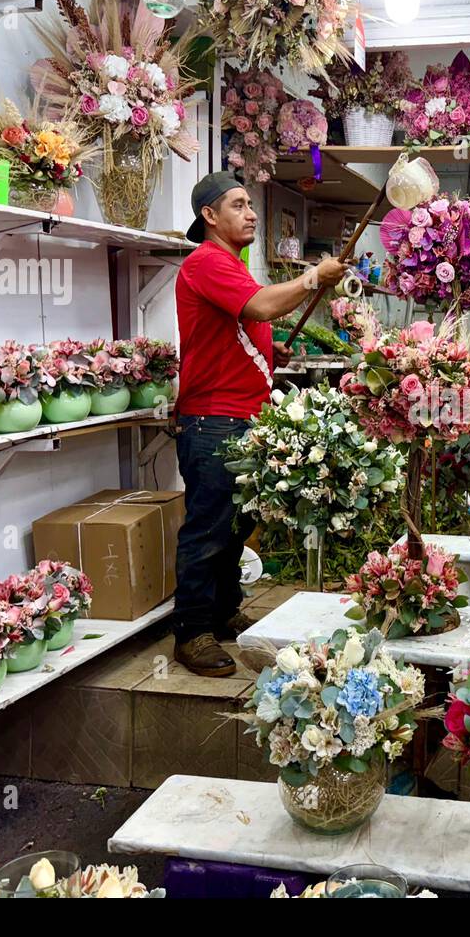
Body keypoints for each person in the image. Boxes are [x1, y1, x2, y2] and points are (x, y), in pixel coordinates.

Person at [172, 171, 344, 676]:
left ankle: (221, 612)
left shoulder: (230, 264)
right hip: (214, 421)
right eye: (239, 205)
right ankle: (191, 631)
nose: (251, 213)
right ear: (210, 216)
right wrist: (314, 277)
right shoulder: (207, 261)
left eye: (251, 205)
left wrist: (275, 352)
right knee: (208, 529)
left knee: (234, 526)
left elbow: (242, 327)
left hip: (241, 415)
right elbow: (262, 306)